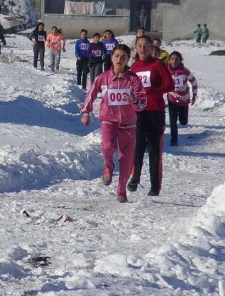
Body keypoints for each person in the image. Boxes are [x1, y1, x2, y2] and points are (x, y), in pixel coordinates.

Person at [79, 44, 147, 203]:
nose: (119, 59)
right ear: (111, 57)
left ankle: (121, 190)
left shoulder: (133, 79)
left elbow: (143, 103)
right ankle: (108, 167)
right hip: (109, 120)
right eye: (117, 56)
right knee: (107, 146)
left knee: (126, 158)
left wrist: (135, 100)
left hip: (129, 124)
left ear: (127, 60)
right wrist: (86, 112)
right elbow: (91, 94)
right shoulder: (102, 78)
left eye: (123, 57)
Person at [126, 35, 175, 196]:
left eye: (146, 45)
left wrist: (152, 91)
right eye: (139, 46)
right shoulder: (134, 67)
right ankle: (135, 177)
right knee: (137, 146)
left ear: (151, 48)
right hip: (139, 112)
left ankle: (155, 185)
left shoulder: (158, 63)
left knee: (154, 148)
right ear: (135, 48)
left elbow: (170, 85)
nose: (142, 49)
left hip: (155, 111)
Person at [165, 51, 199, 146]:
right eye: (172, 59)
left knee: (183, 122)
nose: (174, 61)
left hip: (184, 98)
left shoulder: (185, 71)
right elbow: (162, 84)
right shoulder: (166, 71)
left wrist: (194, 95)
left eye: (177, 59)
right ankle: (174, 140)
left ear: (180, 61)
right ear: (169, 60)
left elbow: (194, 82)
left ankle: (183, 117)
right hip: (172, 99)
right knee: (172, 120)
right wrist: (170, 91)